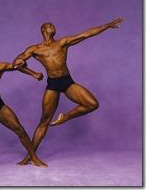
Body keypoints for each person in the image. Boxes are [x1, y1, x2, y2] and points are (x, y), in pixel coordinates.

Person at [13, 17, 124, 165]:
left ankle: (65, 117)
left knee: (92, 104)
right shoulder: (35, 49)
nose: (53, 26)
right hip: (52, 84)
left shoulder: (62, 42)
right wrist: (29, 70)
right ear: (43, 30)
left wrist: (108, 25)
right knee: (44, 121)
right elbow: (17, 62)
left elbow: (86, 34)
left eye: (53, 25)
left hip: (67, 81)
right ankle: (30, 156)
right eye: (49, 25)